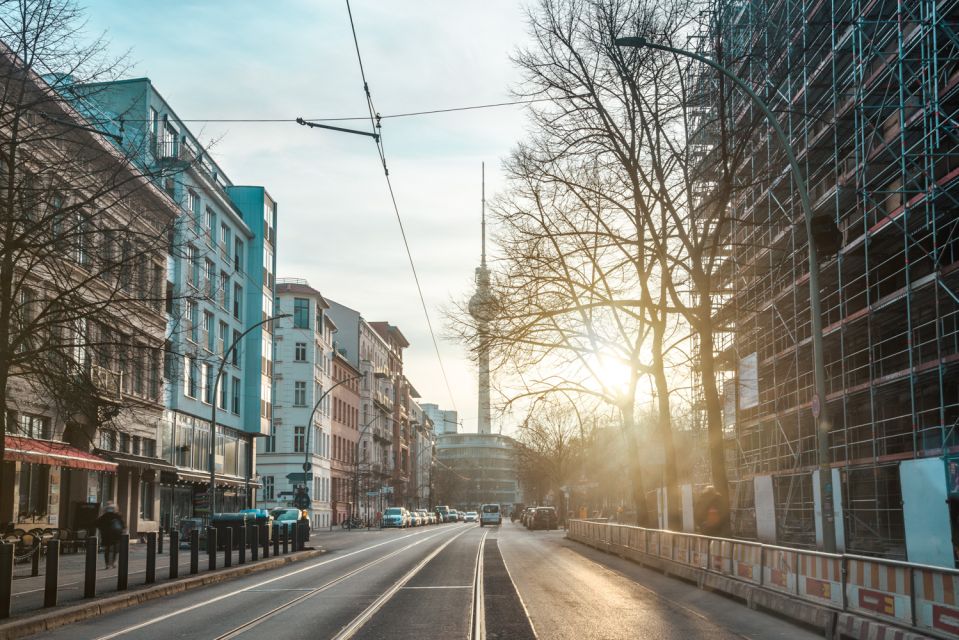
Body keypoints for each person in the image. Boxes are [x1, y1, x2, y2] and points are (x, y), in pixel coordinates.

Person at [95, 501, 125, 569]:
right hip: (116, 535)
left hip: (106, 535)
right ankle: (113, 562)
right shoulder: (117, 515)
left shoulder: (104, 516)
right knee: (115, 549)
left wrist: (102, 529)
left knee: (107, 549)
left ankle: (108, 564)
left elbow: (97, 523)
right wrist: (122, 531)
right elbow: (123, 525)